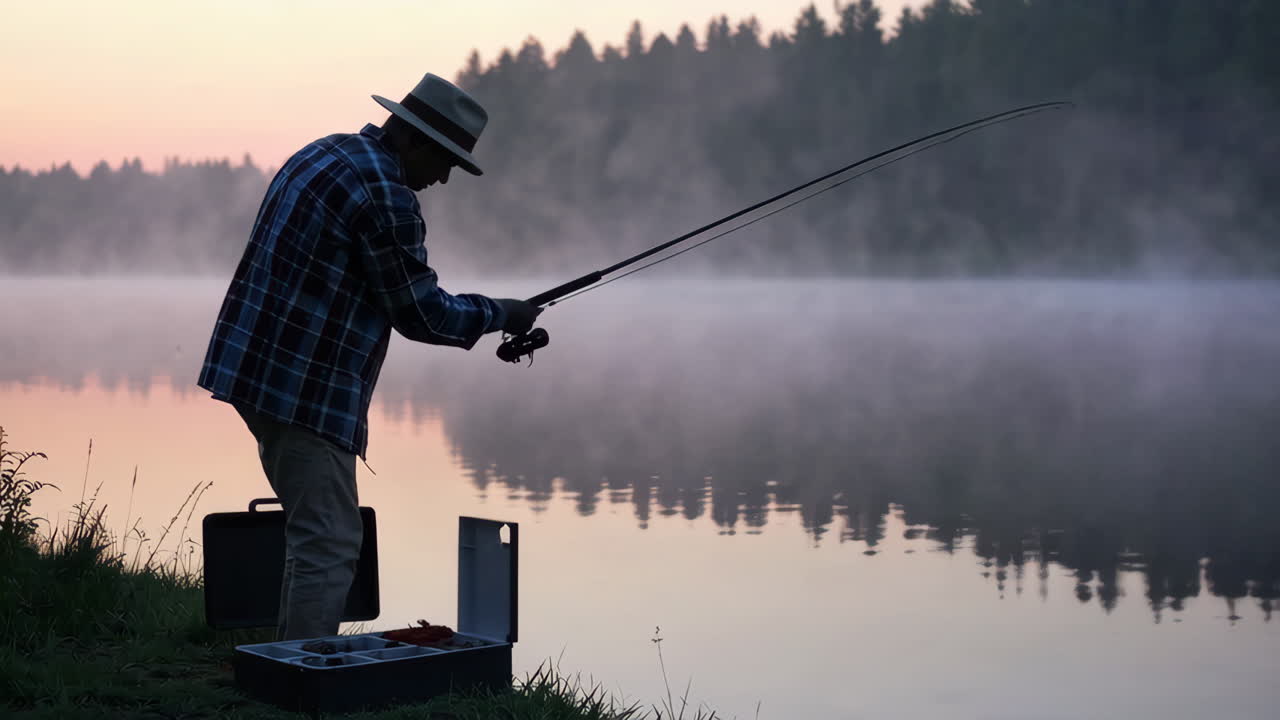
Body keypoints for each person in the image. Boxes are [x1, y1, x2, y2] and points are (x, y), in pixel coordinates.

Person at [197, 73, 539, 640]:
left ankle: (287, 659)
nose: (444, 177)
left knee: (315, 531)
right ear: (412, 138)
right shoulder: (387, 194)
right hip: (303, 390)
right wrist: (501, 313)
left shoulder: (325, 152)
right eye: (445, 160)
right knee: (330, 541)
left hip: (253, 369)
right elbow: (422, 314)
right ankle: (301, 677)